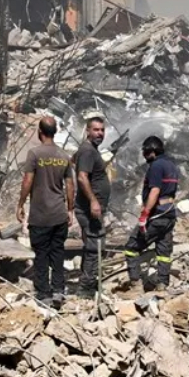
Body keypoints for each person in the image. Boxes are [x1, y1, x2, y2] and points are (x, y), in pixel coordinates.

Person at [16, 116, 74, 307]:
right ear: (55, 132)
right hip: (59, 214)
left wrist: (21, 204)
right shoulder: (64, 155)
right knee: (57, 253)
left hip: (40, 215)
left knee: (41, 254)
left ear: (40, 132)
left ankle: (43, 294)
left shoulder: (34, 154)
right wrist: (70, 209)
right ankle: (58, 290)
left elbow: (27, 181)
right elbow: (70, 185)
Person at [124, 136, 180, 291]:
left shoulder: (156, 166)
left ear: (152, 151)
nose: (144, 155)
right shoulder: (171, 165)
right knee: (163, 251)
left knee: (131, 247)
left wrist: (145, 214)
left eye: (146, 152)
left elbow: (155, 190)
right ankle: (162, 285)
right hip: (169, 214)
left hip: (157, 214)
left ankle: (135, 284)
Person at [74, 114, 111, 297]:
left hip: (91, 208)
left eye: (102, 130)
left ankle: (87, 282)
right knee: (95, 246)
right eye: (96, 130)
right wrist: (93, 201)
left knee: (91, 244)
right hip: (89, 209)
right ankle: (86, 289)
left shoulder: (90, 150)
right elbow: (82, 177)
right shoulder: (88, 150)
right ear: (87, 131)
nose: (100, 133)